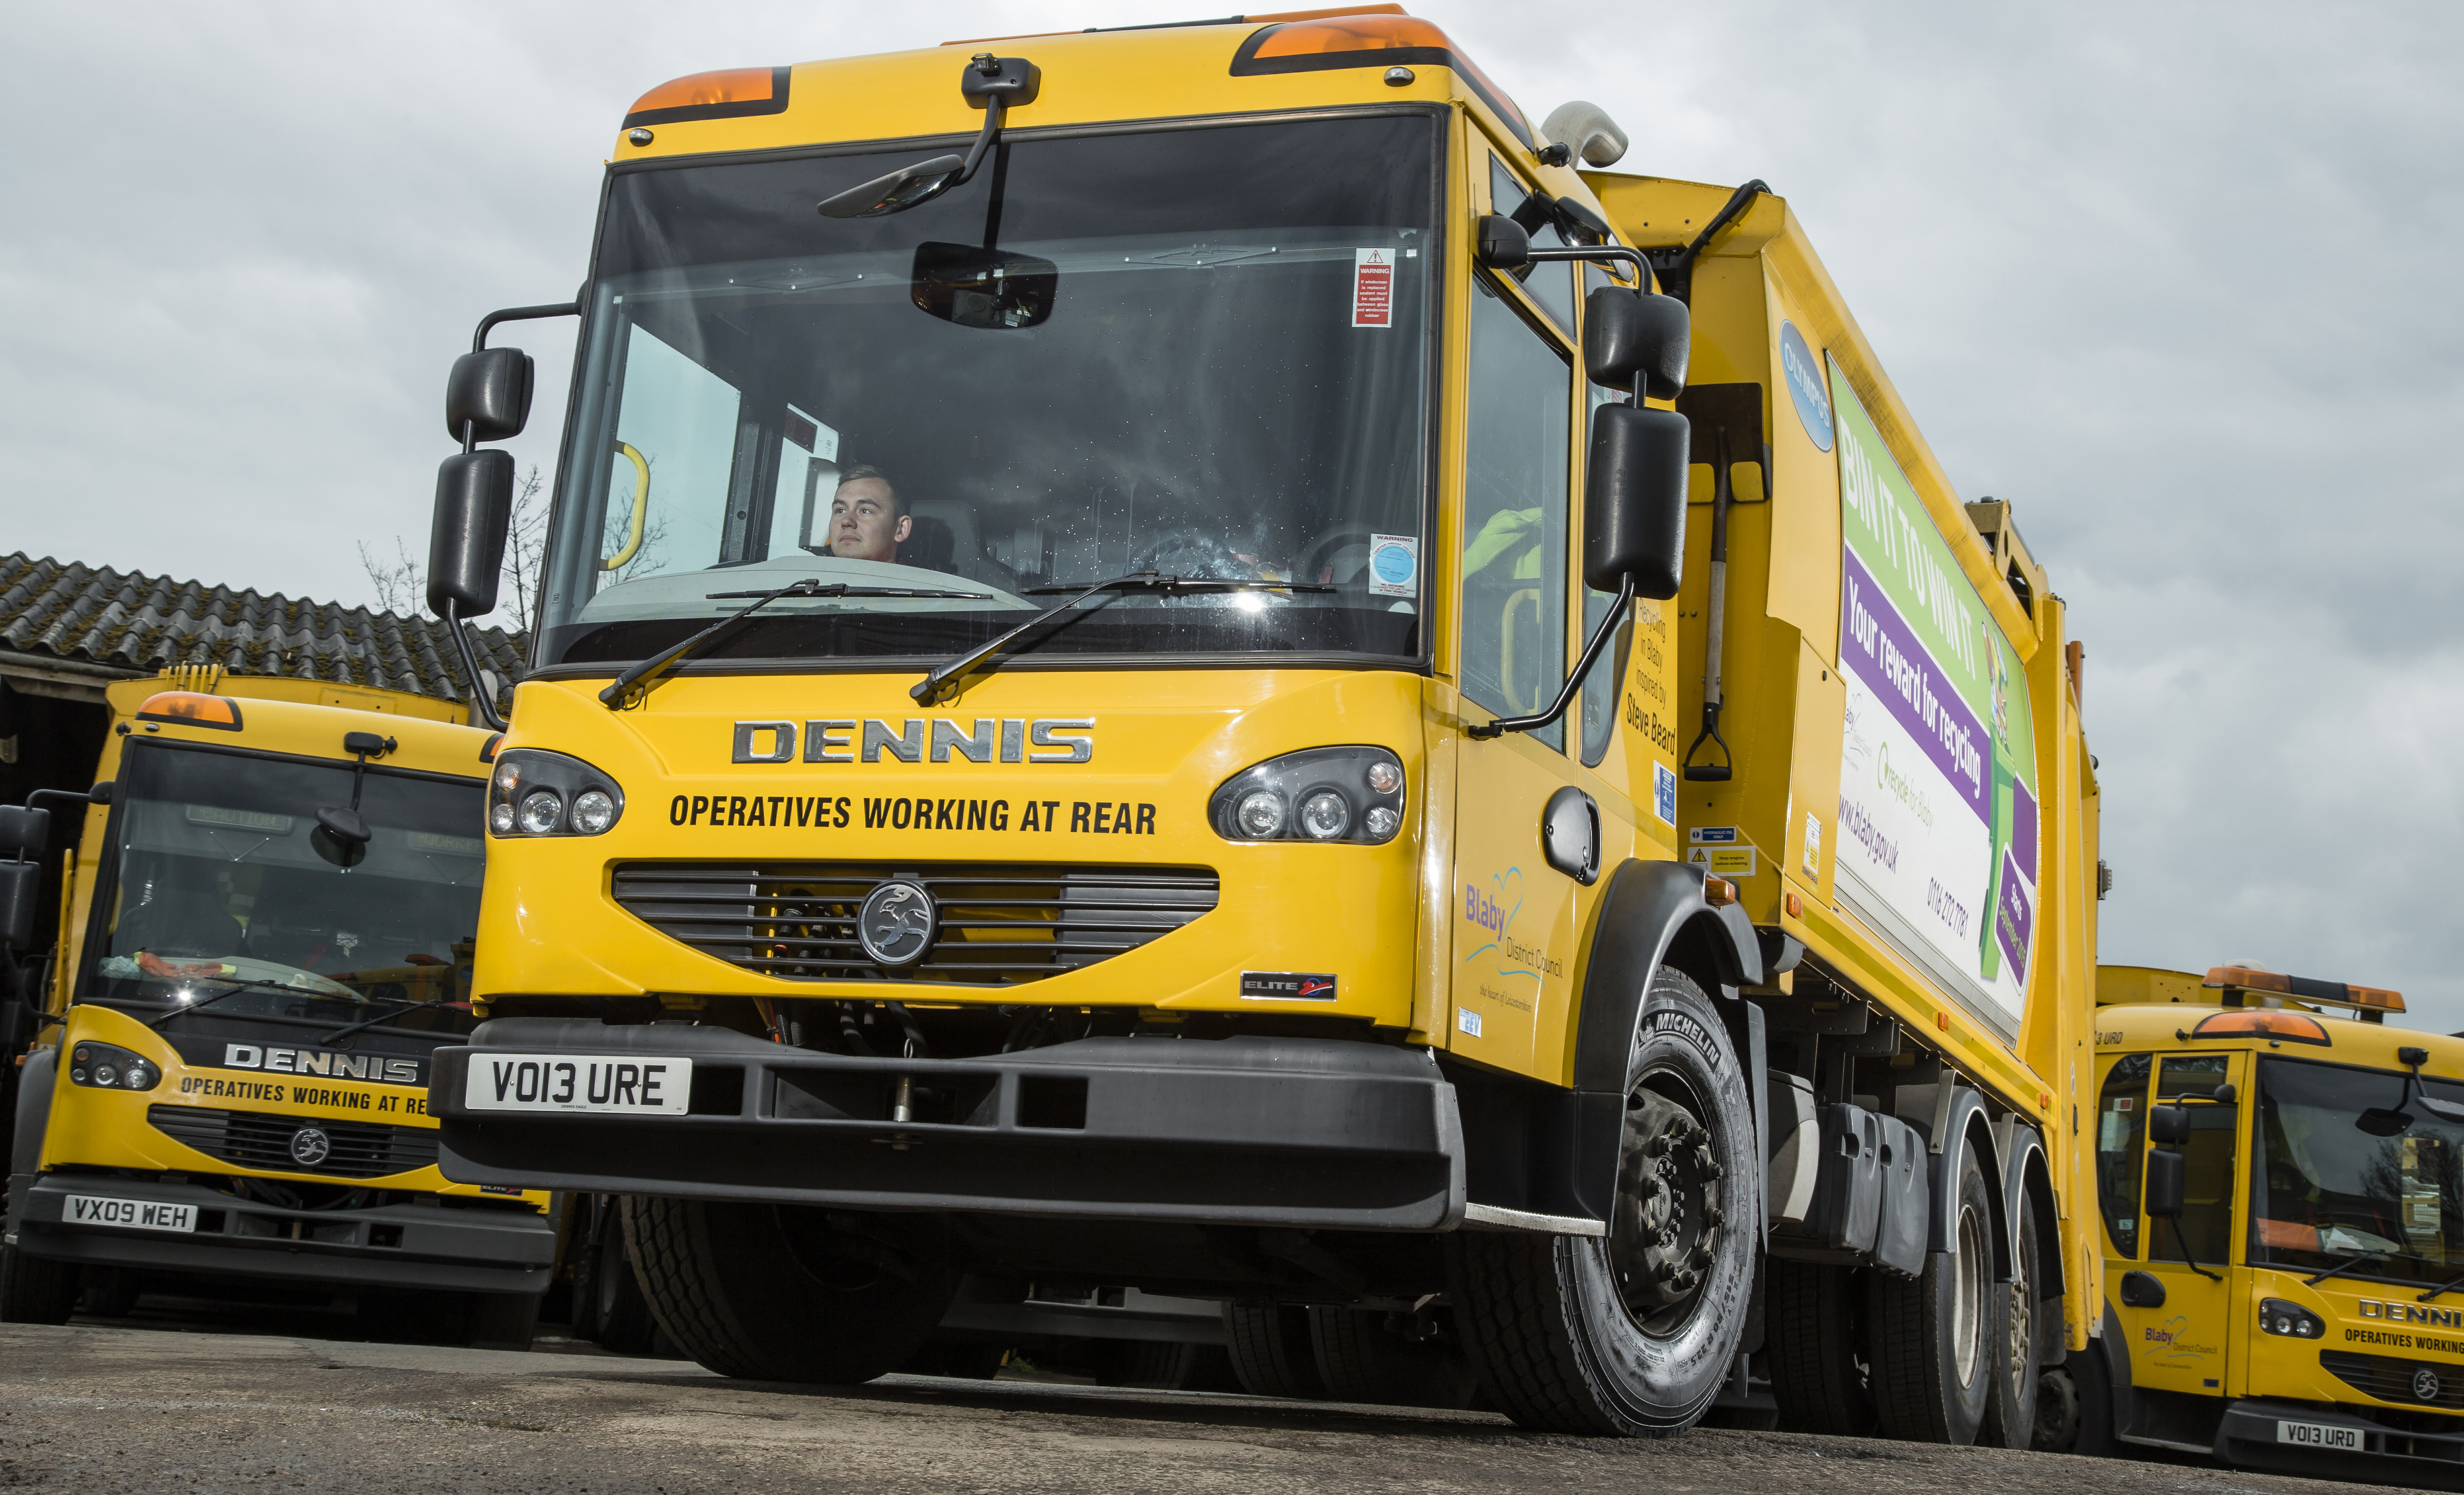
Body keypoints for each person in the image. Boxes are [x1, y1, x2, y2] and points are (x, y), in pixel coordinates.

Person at [825, 464, 910, 563]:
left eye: (865, 511)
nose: (846, 521)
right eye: (841, 511)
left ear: (901, 529)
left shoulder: (919, 575)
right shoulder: (811, 570)